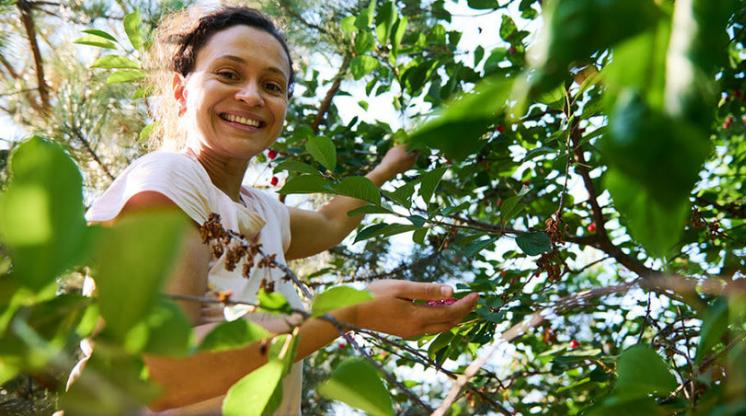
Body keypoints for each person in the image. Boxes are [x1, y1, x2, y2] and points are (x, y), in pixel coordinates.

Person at [79, 5, 479, 415]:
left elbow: (328, 223)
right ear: (182, 93)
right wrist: (348, 309)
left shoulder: (259, 211)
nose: (251, 96)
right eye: (229, 74)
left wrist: (389, 166)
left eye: (272, 85)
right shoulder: (171, 178)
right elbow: (155, 372)